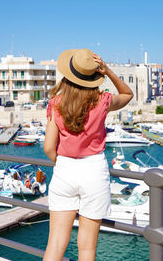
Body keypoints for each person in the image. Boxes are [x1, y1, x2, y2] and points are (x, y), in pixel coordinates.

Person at [43, 48, 133, 261]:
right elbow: (128, 94)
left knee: (55, 244)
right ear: (95, 77)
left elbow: (48, 147)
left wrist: (63, 162)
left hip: (64, 170)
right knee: (87, 249)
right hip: (94, 171)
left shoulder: (55, 104)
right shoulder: (103, 101)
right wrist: (108, 71)